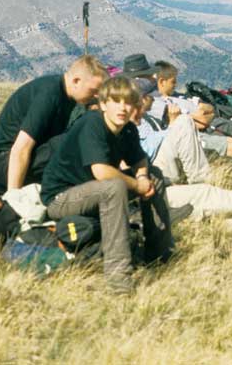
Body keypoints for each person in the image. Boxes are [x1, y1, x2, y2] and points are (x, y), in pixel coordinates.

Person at [40, 76, 173, 293]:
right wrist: (137, 186)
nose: (122, 108)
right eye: (116, 101)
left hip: (93, 191)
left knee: (154, 176)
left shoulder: (128, 129)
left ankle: (159, 255)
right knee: (114, 187)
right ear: (103, 104)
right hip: (61, 198)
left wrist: (142, 177)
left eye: (128, 102)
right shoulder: (92, 124)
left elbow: (139, 159)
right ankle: (119, 278)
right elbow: (101, 172)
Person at [134, 94, 232, 224]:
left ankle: (203, 180)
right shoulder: (113, 139)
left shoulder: (124, 132)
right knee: (203, 193)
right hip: (141, 198)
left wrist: (142, 174)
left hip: (152, 174)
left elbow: (139, 155)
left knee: (184, 121)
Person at [0, 55, 107, 193]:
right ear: (76, 81)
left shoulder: (67, 95)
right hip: (6, 162)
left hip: (27, 159)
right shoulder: (50, 95)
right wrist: (14, 196)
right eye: (94, 91)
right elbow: (21, 148)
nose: (97, 96)